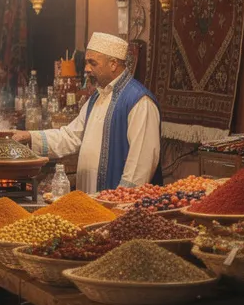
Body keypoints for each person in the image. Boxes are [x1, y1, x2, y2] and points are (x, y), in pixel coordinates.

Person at [9, 32, 160, 193]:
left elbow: (141, 163)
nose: (87, 69)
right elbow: (70, 136)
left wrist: (120, 201)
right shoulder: (97, 97)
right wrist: (30, 137)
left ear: (113, 64)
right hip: (90, 199)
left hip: (118, 205)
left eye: (92, 63)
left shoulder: (139, 101)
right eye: (87, 63)